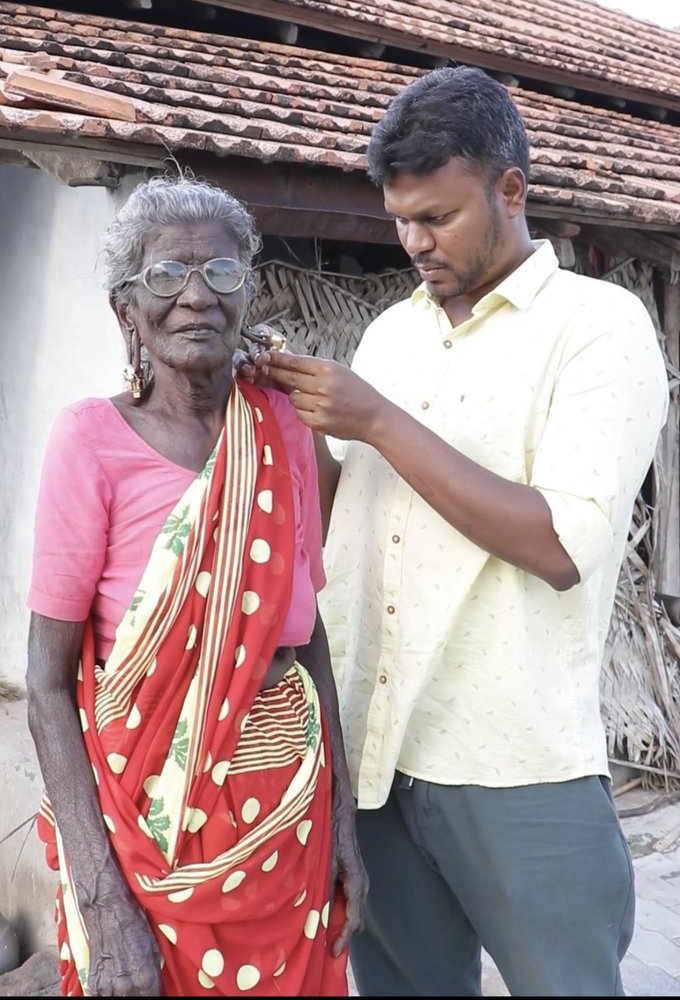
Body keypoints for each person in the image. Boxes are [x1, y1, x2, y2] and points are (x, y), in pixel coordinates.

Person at [252, 67, 669, 997]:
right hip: (373, 757)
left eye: (436, 216)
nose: (413, 241)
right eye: (400, 218)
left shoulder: (599, 328)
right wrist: (290, 433)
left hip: (516, 763)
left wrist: (377, 422)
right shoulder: (391, 337)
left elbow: (561, 545)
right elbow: (340, 521)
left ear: (510, 190)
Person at [25, 175, 367, 999]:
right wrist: (103, 902)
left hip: (290, 827)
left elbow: (306, 634)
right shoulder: (90, 439)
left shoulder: (278, 425)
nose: (196, 297)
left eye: (221, 275)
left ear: (247, 294)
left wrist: (345, 826)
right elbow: (43, 681)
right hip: (148, 838)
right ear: (126, 310)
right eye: (167, 276)